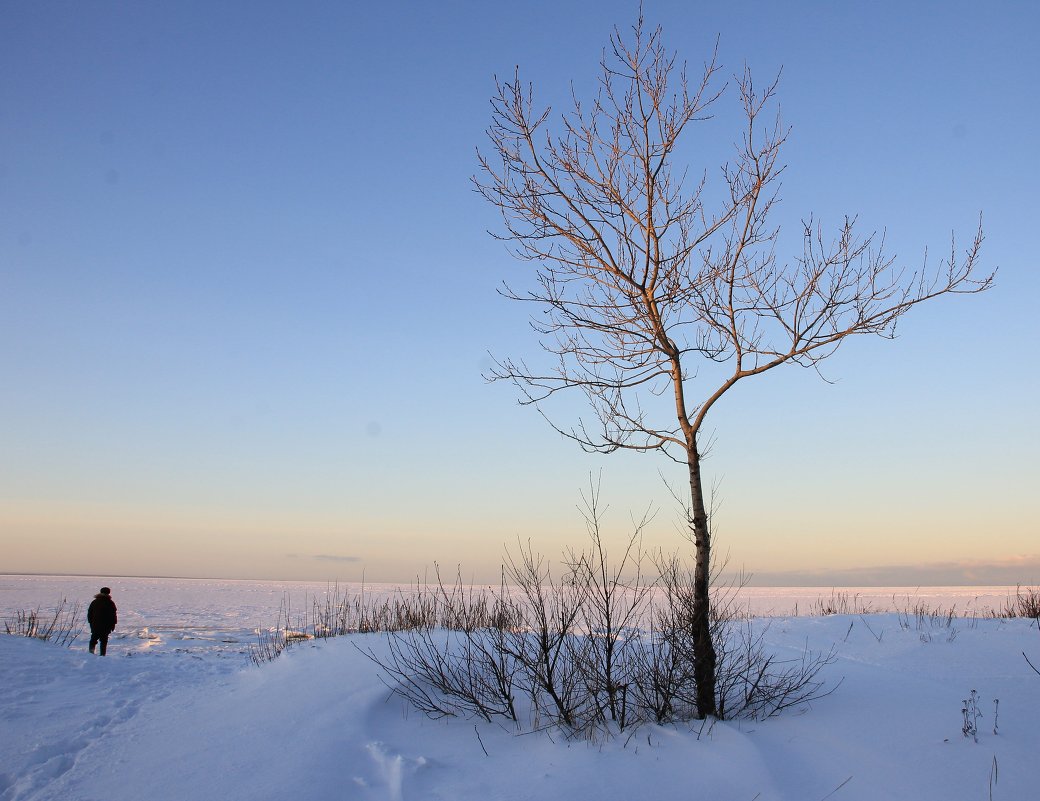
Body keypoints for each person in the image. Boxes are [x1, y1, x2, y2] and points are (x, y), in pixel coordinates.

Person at [87, 586, 118, 656]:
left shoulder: (95, 602)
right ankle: (102, 655)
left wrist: (91, 623)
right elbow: (113, 615)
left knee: (94, 640)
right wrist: (113, 625)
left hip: (96, 625)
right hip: (105, 626)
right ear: (108, 593)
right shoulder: (110, 603)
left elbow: (89, 614)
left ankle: (91, 654)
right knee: (103, 641)